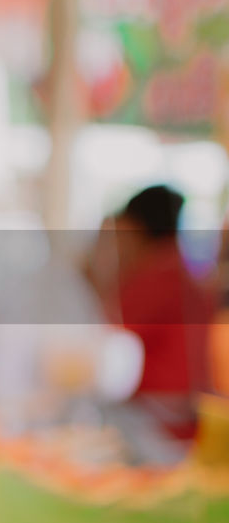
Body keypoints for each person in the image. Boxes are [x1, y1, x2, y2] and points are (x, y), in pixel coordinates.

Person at [87, 184, 215, 441]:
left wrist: (99, 270)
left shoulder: (156, 277)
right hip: (184, 420)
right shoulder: (178, 271)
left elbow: (103, 347)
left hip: (161, 428)